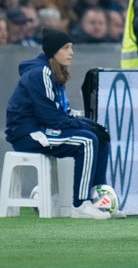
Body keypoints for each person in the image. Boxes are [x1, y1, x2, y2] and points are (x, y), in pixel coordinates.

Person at [4, 28, 124, 219]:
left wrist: (90, 124)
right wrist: (86, 127)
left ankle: (98, 200)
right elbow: (51, 117)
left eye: (71, 47)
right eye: (66, 47)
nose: (71, 52)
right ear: (54, 51)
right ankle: (80, 205)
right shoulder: (40, 73)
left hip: (43, 128)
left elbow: (63, 113)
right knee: (87, 141)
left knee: (101, 137)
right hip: (28, 134)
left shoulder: (53, 72)